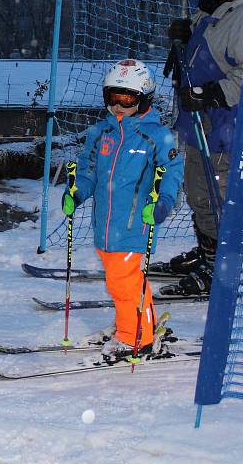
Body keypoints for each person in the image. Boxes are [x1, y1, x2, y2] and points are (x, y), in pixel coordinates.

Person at [162, 0, 243, 295]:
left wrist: (211, 93)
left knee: (214, 195)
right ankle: (206, 253)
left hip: (225, 123)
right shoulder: (217, 8)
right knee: (197, 191)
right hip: (202, 119)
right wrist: (185, 36)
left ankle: (219, 269)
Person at [62, 59, 183, 362]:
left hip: (135, 225)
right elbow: (88, 172)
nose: (118, 104)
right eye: (112, 96)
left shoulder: (155, 136)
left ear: (143, 99)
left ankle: (135, 337)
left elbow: (172, 172)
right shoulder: (100, 134)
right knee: (126, 280)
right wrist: (76, 193)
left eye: (126, 98)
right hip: (105, 225)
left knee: (123, 282)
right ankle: (140, 323)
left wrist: (162, 204)